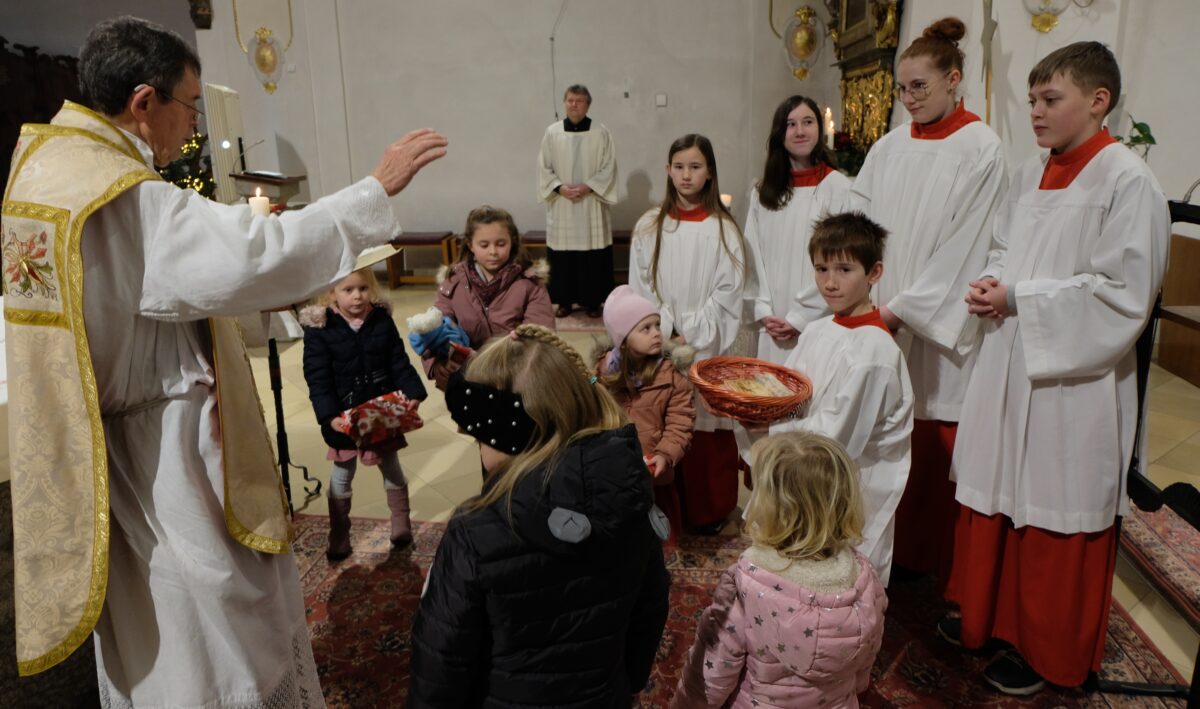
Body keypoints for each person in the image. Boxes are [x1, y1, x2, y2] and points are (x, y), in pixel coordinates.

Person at [0, 16, 445, 706]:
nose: (193, 123)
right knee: (212, 612)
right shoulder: (123, 194)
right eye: (190, 105)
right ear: (144, 103)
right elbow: (247, 259)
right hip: (162, 445)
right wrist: (372, 191)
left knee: (146, 618)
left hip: (104, 441)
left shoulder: (47, 170)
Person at [943, 41, 1169, 695]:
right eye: (1033, 100)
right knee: (998, 486)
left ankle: (1046, 650)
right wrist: (993, 280)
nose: (1036, 112)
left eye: (1051, 100)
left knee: (1052, 501)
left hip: (1075, 377)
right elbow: (1004, 245)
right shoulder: (1031, 170)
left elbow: (1123, 296)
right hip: (1011, 357)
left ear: (1098, 102)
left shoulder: (1127, 182)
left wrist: (1018, 298)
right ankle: (988, 618)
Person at [408, 324, 670, 707]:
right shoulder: (631, 495)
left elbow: (442, 657)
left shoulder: (475, 532)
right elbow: (651, 607)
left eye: (480, 437)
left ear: (507, 436)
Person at [849, 17, 1006, 588]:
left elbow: (968, 246)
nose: (908, 98)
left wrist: (899, 311)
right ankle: (882, 553)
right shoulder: (888, 148)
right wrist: (861, 297)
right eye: (902, 87)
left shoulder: (981, 148)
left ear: (953, 80)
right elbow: (857, 228)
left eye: (920, 86)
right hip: (878, 312)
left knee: (932, 430)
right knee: (880, 434)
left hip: (932, 328)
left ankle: (931, 565)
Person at [671, 432, 888, 708]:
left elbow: (711, 674)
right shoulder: (866, 581)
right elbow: (865, 659)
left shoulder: (744, 587)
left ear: (770, 508)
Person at [759, 212, 913, 586]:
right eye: (821, 268)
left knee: (840, 586)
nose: (829, 282)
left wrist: (768, 426)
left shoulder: (876, 351)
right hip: (806, 470)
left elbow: (837, 437)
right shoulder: (817, 330)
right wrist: (759, 408)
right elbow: (790, 394)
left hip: (849, 484)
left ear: (874, 273)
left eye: (844, 269)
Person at [628, 134, 748, 534]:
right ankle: (665, 507)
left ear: (709, 172)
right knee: (659, 419)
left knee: (704, 424)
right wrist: (661, 329)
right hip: (658, 340)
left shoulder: (724, 229)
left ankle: (708, 511)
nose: (686, 175)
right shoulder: (650, 225)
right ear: (668, 170)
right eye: (678, 166)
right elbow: (639, 287)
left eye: (695, 167)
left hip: (704, 343)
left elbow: (729, 293)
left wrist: (690, 334)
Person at [299, 268, 428, 559]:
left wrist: (413, 393)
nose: (357, 296)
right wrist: (330, 415)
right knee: (342, 472)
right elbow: (317, 377)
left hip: (380, 411)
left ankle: (400, 523)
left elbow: (398, 360)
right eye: (348, 290)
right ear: (331, 293)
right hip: (344, 417)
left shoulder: (380, 319)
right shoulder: (320, 329)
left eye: (363, 288)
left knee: (391, 466)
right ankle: (340, 532)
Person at [744, 95, 852, 364]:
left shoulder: (838, 188)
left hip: (820, 319)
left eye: (808, 122)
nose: (800, 131)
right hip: (771, 322)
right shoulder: (763, 193)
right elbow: (750, 255)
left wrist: (800, 316)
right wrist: (763, 310)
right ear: (780, 133)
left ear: (819, 128)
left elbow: (842, 259)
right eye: (791, 124)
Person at [592, 284, 696, 546]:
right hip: (614, 470)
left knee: (657, 536)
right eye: (645, 328)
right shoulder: (603, 373)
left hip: (655, 473)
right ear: (623, 339)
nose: (657, 334)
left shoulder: (672, 375)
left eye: (657, 325)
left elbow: (681, 423)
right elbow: (592, 414)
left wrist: (665, 454)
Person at [411, 205, 555, 390]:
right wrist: (440, 366)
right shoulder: (452, 283)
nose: (493, 252)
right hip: (469, 379)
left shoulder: (530, 284)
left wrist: (508, 368)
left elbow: (542, 336)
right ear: (470, 245)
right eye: (484, 245)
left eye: (501, 244)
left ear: (512, 242)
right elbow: (437, 332)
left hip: (515, 379)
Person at [537, 84, 619, 318]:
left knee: (592, 255)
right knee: (562, 256)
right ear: (565, 103)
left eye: (579, 101)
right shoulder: (552, 133)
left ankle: (593, 302)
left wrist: (588, 186)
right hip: (562, 204)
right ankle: (564, 301)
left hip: (591, 201)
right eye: (570, 100)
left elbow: (609, 167)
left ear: (587, 105)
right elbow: (544, 167)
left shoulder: (601, 132)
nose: (574, 104)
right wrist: (560, 188)